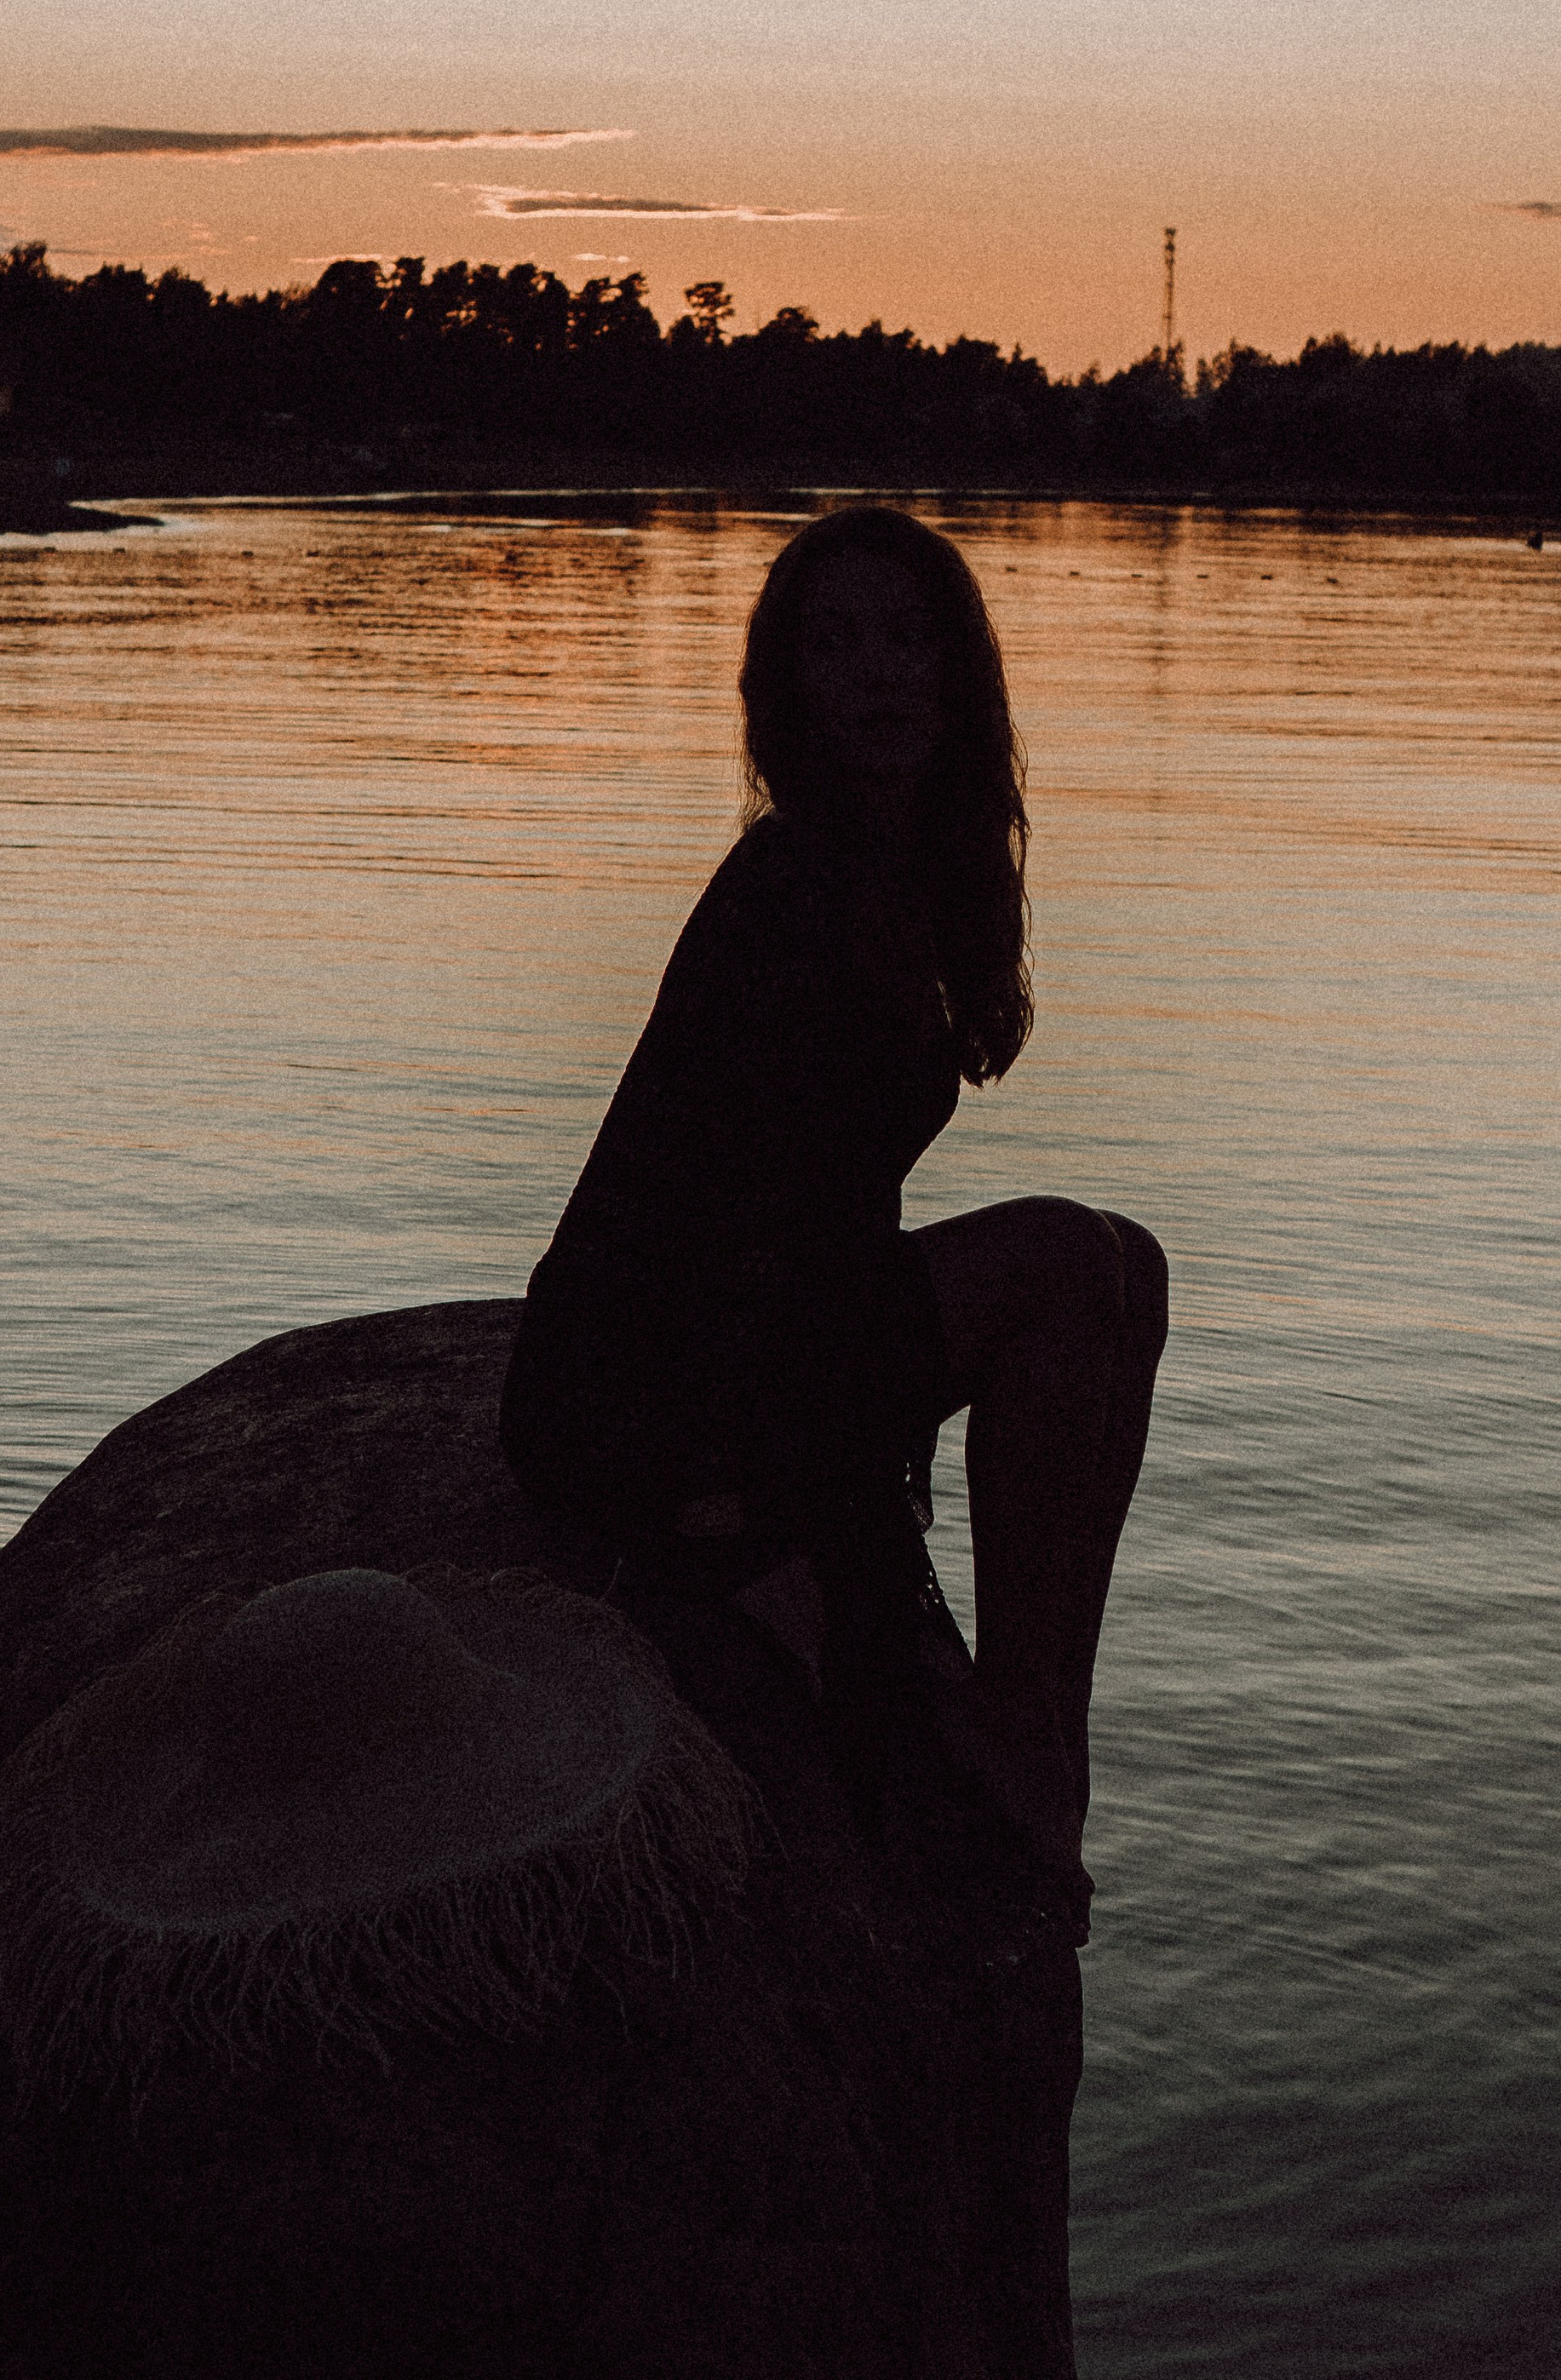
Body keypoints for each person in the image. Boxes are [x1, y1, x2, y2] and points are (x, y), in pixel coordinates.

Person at [499, 506, 1168, 1918]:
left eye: (909, 639)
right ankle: (1023, 1726)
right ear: (788, 684)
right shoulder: (797, 886)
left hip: (758, 1334)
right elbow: (748, 1227)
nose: (879, 673)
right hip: (651, 1382)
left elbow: (827, 1224)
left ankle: (1039, 1712)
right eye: (840, 643)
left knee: (1130, 1266)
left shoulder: (899, 870)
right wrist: (762, 1519)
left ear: (956, 672)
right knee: (1066, 1264)